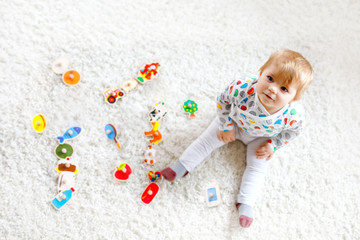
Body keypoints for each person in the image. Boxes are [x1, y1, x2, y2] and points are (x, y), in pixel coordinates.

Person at [161, 49, 313, 228]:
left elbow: (294, 131)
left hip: (261, 138)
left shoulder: (294, 115)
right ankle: (182, 166)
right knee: (205, 141)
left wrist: (274, 145)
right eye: (270, 78)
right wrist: (226, 125)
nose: (272, 89)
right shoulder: (242, 88)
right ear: (261, 72)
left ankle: (246, 202)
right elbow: (223, 101)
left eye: (284, 89)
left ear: (294, 98)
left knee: (257, 168)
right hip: (233, 123)